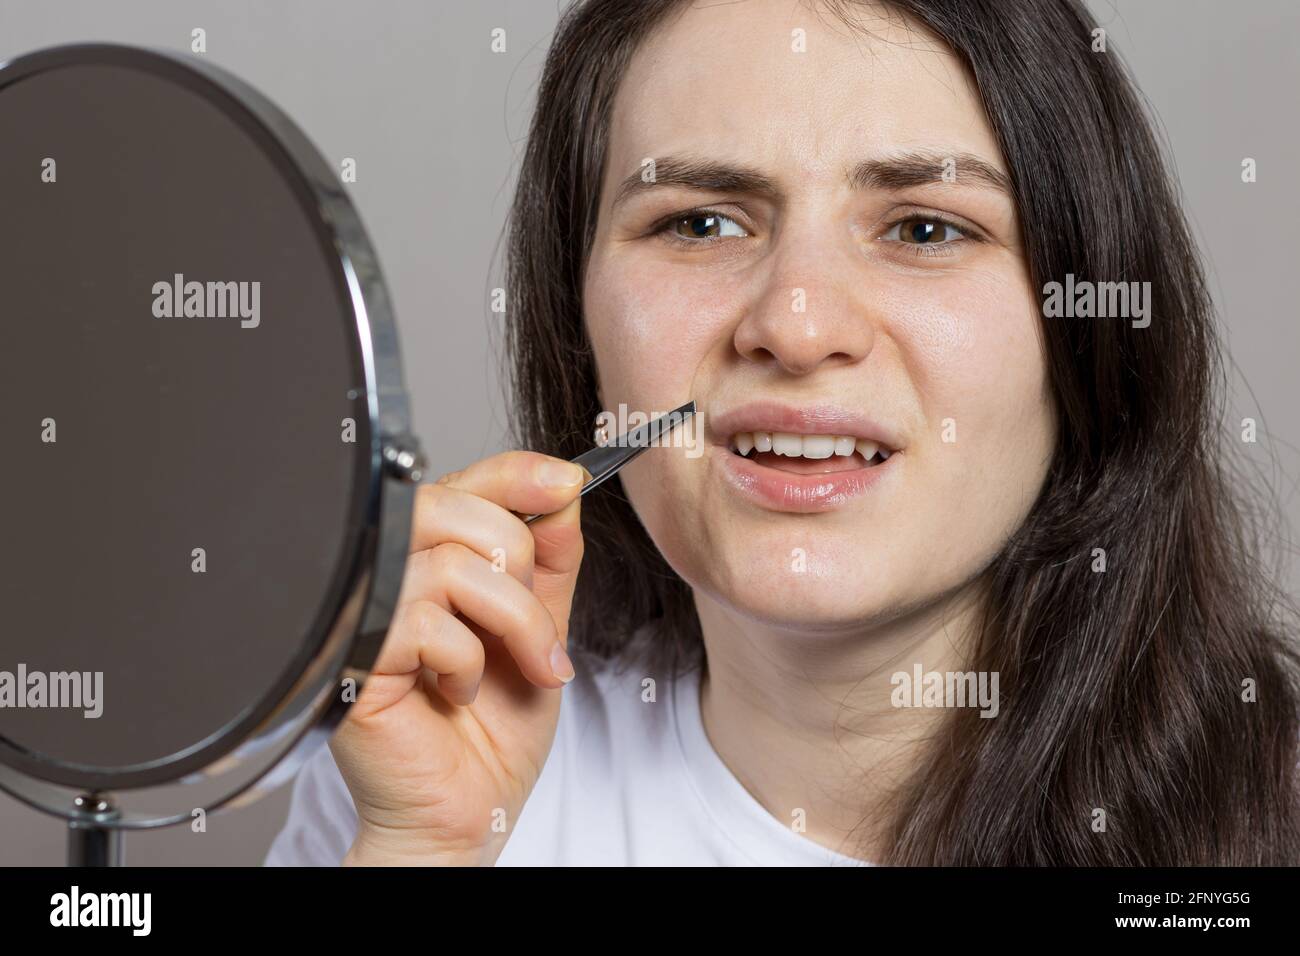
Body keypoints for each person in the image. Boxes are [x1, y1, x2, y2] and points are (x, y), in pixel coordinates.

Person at [266, 0, 1300, 866]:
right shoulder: (417, 769)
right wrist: (425, 847)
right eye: (699, 222)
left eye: (924, 227)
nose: (796, 326)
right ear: (573, 314)